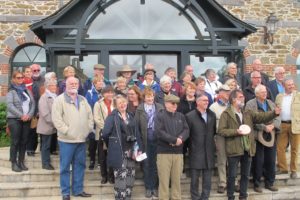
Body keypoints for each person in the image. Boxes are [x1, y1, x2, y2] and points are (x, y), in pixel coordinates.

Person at [218, 89, 280, 200]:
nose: (243, 99)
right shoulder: (226, 114)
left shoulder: (247, 112)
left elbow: (262, 117)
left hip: (247, 148)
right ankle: (230, 197)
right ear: (233, 100)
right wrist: (236, 131)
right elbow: (221, 130)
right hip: (234, 148)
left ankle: (243, 196)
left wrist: (273, 113)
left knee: (245, 175)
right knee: (232, 176)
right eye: (240, 97)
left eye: (243, 97)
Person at [52, 77, 93, 200]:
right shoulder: (59, 100)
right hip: (66, 141)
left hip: (81, 140)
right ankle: (65, 193)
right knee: (65, 167)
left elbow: (90, 117)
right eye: (71, 83)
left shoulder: (83, 100)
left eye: (76, 83)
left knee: (80, 165)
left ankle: (78, 190)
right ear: (66, 85)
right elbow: (56, 120)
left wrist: (87, 130)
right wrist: (67, 131)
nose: (73, 85)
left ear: (78, 85)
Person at [102, 95, 143, 200]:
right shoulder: (112, 117)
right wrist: (112, 143)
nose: (122, 104)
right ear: (115, 105)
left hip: (131, 152)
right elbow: (105, 133)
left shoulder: (131, 115)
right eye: (119, 103)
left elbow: (136, 132)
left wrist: (139, 148)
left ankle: (128, 197)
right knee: (121, 179)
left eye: (124, 102)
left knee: (130, 177)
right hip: (119, 152)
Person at [245, 84, 280, 192]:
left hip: (271, 136)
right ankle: (257, 184)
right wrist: (264, 127)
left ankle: (270, 183)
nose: (265, 93)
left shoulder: (270, 103)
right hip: (257, 136)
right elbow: (250, 120)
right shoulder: (250, 104)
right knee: (258, 161)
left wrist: (273, 126)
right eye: (262, 92)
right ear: (256, 94)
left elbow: (278, 116)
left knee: (271, 160)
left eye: (265, 91)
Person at [155, 94, 189, 200]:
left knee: (176, 181)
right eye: (173, 103)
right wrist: (174, 140)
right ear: (166, 104)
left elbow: (186, 130)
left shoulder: (181, 116)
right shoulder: (160, 116)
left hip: (178, 153)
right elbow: (159, 132)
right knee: (164, 181)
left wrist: (180, 138)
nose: (175, 105)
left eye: (177, 103)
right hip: (164, 153)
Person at [186, 94, 216, 200]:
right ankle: (195, 197)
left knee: (207, 178)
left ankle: (205, 197)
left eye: (207, 100)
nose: (206, 102)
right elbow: (187, 135)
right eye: (204, 100)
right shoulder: (190, 116)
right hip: (195, 150)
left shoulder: (212, 115)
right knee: (195, 178)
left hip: (208, 150)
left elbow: (214, 132)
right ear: (197, 102)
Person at [135, 88, 164, 198]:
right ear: (144, 98)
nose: (150, 98)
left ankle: (155, 187)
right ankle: (148, 187)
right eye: (147, 96)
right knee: (147, 165)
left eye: (151, 96)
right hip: (145, 142)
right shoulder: (139, 109)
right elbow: (136, 128)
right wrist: (139, 144)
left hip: (158, 141)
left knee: (156, 165)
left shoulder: (160, 108)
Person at [7, 71, 35, 172]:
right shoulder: (11, 91)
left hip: (27, 119)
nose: (20, 79)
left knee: (24, 142)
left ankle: (21, 161)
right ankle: (14, 163)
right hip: (15, 120)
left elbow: (33, 103)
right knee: (15, 142)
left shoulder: (27, 90)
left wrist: (30, 115)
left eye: (22, 77)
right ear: (13, 79)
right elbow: (10, 106)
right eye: (18, 78)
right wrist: (21, 115)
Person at [275, 78, 300, 179]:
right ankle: (283, 168)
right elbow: (276, 110)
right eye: (289, 85)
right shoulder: (279, 96)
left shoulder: (298, 95)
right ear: (284, 86)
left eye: (292, 84)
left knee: (295, 149)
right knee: (280, 148)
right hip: (282, 125)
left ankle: (293, 170)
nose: (291, 86)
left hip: (295, 125)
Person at [209, 84, 231, 194]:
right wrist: (213, 138)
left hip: (233, 136)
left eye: (229, 91)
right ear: (220, 93)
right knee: (222, 160)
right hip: (220, 136)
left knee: (233, 160)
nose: (228, 93)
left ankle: (233, 181)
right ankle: (222, 183)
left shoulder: (232, 105)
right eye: (225, 91)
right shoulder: (213, 107)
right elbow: (211, 125)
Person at [93, 86, 115, 184]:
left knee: (112, 156)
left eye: (111, 92)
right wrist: (107, 128)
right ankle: (104, 176)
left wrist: (112, 128)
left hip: (114, 134)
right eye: (107, 92)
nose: (109, 94)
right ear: (103, 94)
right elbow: (96, 119)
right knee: (102, 156)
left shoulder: (116, 102)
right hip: (102, 133)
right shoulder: (98, 104)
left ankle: (111, 176)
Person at [36, 78, 57, 170]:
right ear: (48, 87)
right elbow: (45, 113)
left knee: (51, 146)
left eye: (55, 85)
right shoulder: (44, 97)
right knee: (46, 146)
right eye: (52, 85)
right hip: (46, 126)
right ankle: (45, 164)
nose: (54, 87)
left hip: (54, 127)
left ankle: (47, 163)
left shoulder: (55, 96)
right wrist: (55, 123)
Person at [85, 77, 104, 170]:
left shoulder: (105, 93)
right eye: (98, 82)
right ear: (94, 83)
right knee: (92, 143)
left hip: (102, 121)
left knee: (100, 142)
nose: (100, 83)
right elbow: (87, 107)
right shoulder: (89, 93)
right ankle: (92, 161)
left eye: (101, 82)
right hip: (92, 121)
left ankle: (101, 162)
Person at [27, 63, 45, 157]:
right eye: (34, 70)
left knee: (43, 131)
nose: (37, 72)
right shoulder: (28, 81)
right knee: (32, 131)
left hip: (42, 110)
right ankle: (30, 149)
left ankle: (43, 149)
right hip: (32, 110)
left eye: (38, 70)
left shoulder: (44, 80)